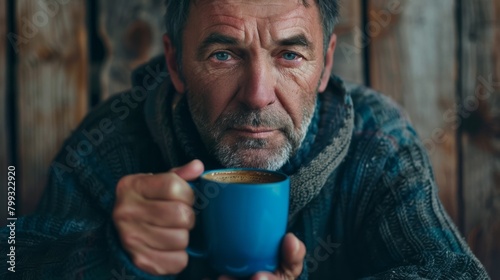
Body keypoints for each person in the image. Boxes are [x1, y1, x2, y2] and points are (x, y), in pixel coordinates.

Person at [0, 0, 490, 279]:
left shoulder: (377, 142)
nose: (258, 96)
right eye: (223, 55)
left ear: (326, 65)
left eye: (290, 56)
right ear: (174, 63)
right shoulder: (110, 144)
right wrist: (107, 253)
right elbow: (13, 258)